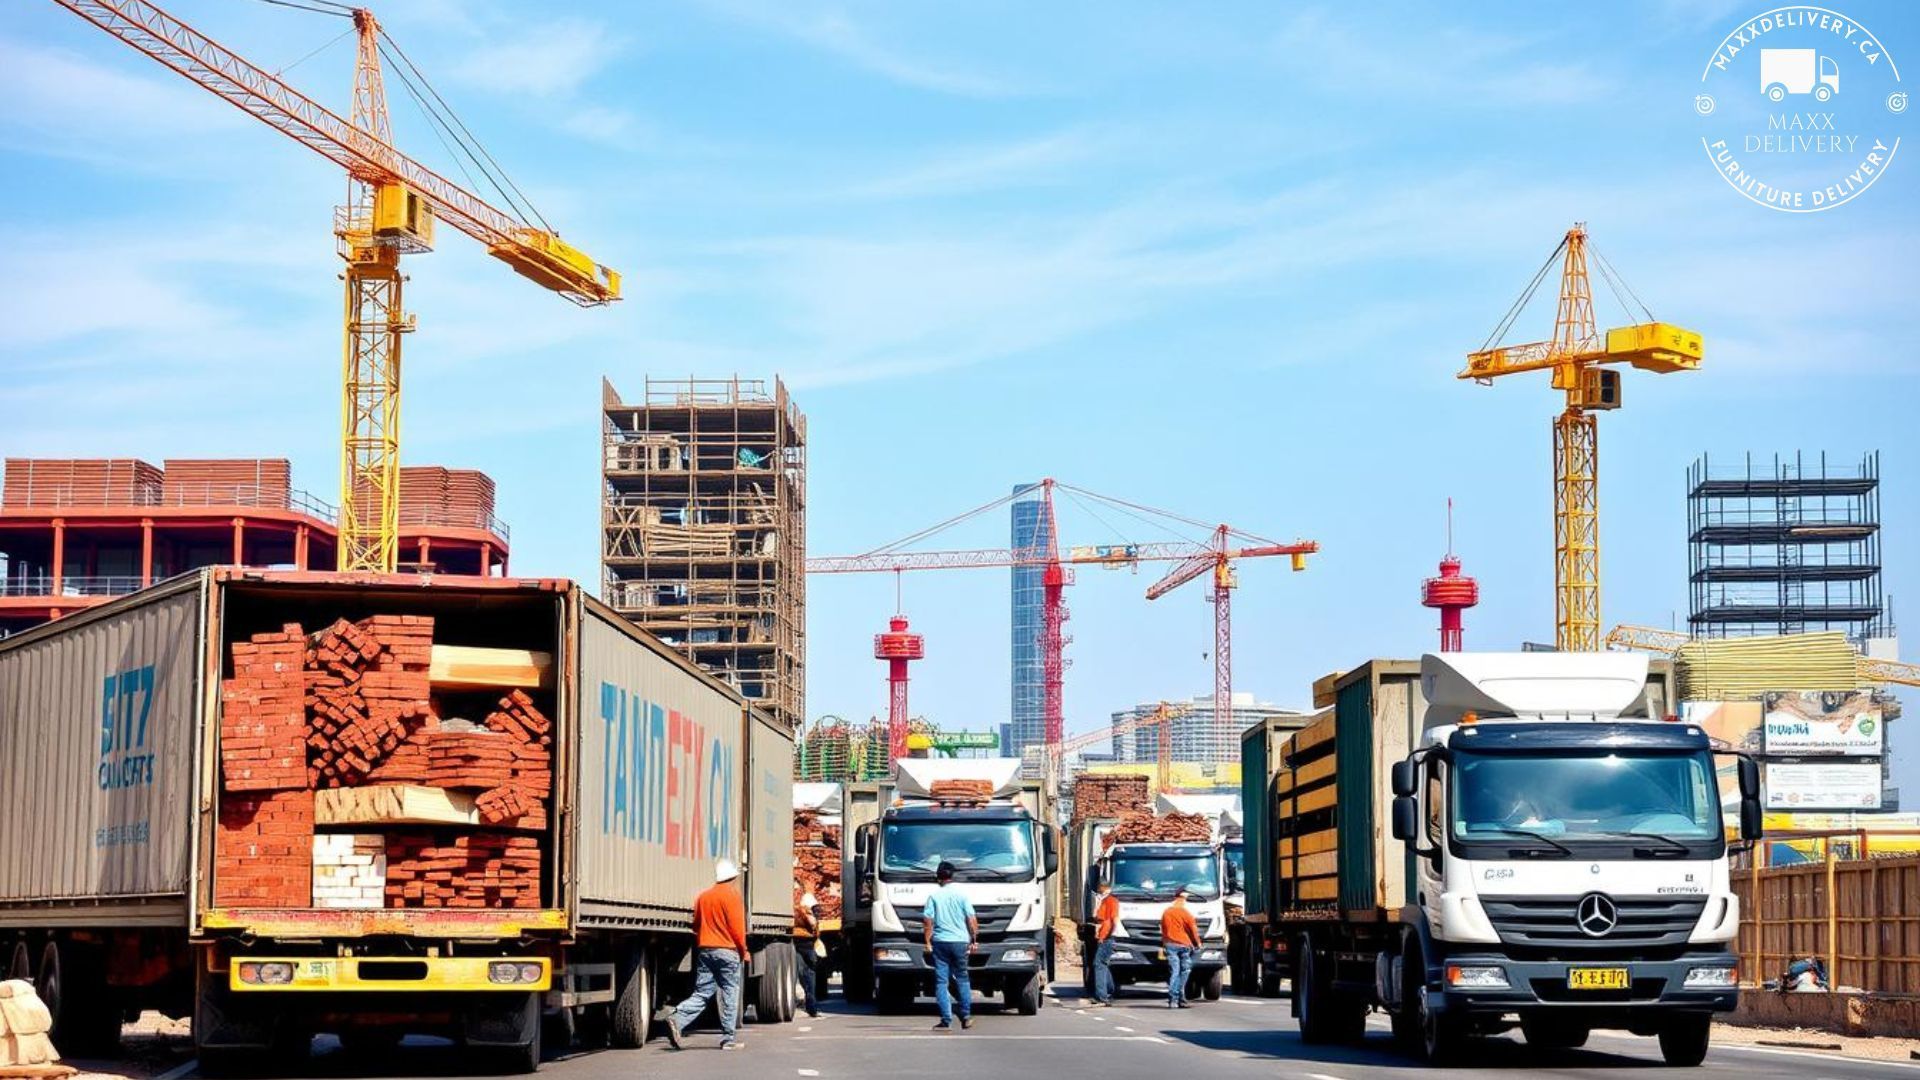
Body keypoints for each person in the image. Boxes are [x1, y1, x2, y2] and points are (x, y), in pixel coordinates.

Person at [663, 859, 751, 1051]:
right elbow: (737, 929)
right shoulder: (732, 897)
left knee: (702, 992)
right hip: (727, 951)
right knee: (729, 992)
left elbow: (695, 925)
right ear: (733, 877)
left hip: (705, 950)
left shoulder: (703, 897)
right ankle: (728, 1039)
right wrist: (743, 951)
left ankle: (677, 1019)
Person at [921, 861, 979, 1031]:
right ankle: (966, 1015)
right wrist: (974, 940)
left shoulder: (934, 896)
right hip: (961, 941)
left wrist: (927, 941)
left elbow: (927, 920)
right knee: (962, 978)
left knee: (941, 981)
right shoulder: (962, 896)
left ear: (938, 877)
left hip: (940, 942)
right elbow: (971, 919)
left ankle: (946, 1019)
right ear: (952, 876)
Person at [1159, 886, 1200, 1009]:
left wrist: (1165, 943)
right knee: (1185, 971)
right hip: (1184, 945)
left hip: (1170, 944)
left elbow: (1163, 930)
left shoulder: (1166, 912)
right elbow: (1193, 931)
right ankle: (1177, 995)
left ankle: (1174, 999)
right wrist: (1197, 943)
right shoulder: (1186, 913)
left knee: (1174, 972)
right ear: (1183, 900)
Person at [793, 885, 823, 1018]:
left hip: (797, 944)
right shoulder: (807, 913)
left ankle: (808, 1005)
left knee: (801, 975)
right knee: (810, 976)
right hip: (808, 945)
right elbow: (813, 926)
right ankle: (812, 1007)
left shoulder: (796, 913)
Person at [1090, 878, 1119, 1006]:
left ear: (1102, 887)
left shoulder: (1110, 901)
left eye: (1098, 887)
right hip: (1107, 936)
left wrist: (1104, 936)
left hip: (1107, 937)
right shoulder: (1108, 900)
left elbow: (1110, 921)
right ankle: (1110, 990)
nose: (1098, 889)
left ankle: (1102, 996)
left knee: (1099, 964)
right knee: (1103, 964)